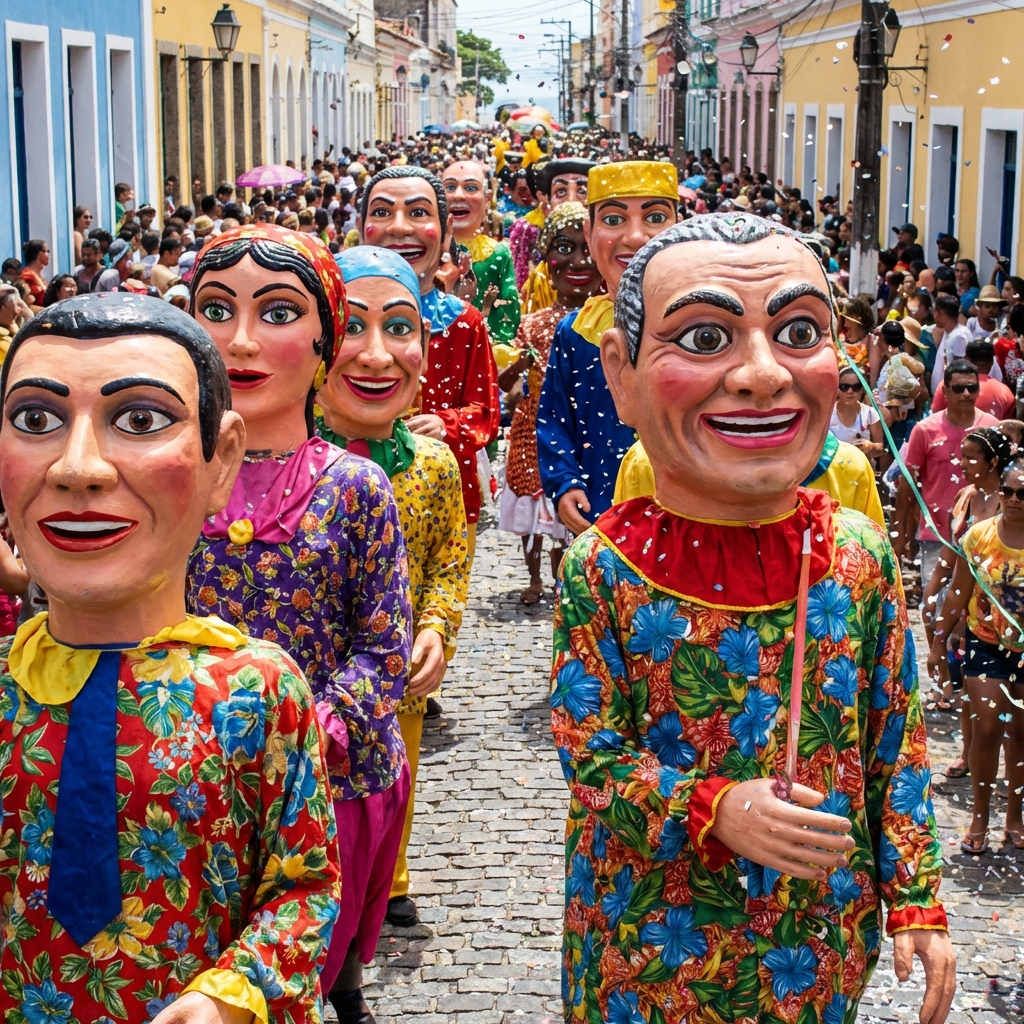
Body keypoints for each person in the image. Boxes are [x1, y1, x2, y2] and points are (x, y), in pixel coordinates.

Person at [553, 213, 955, 1023]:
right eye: (704, 339)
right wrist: (712, 807)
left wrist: (916, 897)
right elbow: (592, 759)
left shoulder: (858, 556)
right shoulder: (605, 567)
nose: (763, 375)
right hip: (649, 947)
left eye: (799, 332)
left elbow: (895, 741)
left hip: (817, 943)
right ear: (621, 374)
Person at [0, 293, 341, 1020]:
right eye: (35, 421)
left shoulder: (257, 691)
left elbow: (303, 886)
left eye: (140, 420)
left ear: (222, 460)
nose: (78, 468)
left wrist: (230, 997)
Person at [186, 226, 412, 1024]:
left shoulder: (355, 488)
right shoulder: (170, 479)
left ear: (325, 340)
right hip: (198, 780)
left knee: (312, 967)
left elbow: (383, 646)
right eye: (217, 310)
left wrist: (308, 729)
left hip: (330, 776)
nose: (241, 341)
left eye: (278, 312)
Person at [317, 245, 470, 940]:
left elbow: (449, 560)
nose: (377, 355)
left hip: (397, 671)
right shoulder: (284, 463)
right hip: (312, 677)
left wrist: (435, 628)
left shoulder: (433, 466)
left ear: (425, 352)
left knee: (393, 779)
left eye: (399, 328)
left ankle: (389, 882)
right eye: (352, 326)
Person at [359, 166, 500, 570]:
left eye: (418, 213)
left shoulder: (464, 322)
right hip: (352, 493)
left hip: (444, 498)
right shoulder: (335, 316)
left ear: (447, 230)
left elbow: (486, 414)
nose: (400, 227)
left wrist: (446, 425)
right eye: (382, 212)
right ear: (361, 226)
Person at [537, 161, 679, 535]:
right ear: (589, 232)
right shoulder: (577, 332)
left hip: (692, 515)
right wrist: (564, 482)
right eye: (614, 220)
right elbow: (555, 418)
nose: (635, 237)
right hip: (602, 511)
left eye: (655, 217)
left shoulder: (709, 325)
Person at [498, 203, 601, 603]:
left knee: (569, 511)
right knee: (534, 512)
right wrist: (519, 366)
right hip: (533, 427)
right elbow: (505, 385)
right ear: (546, 258)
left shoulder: (613, 322)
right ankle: (535, 579)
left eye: (587, 249)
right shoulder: (533, 322)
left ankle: (566, 579)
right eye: (564, 248)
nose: (579, 261)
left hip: (586, 428)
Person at [929, 455, 1024, 854]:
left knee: (1020, 734)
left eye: (1023, 493)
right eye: (1008, 491)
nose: (1014, 499)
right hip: (985, 643)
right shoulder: (978, 537)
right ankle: (980, 815)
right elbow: (958, 592)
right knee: (985, 729)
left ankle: (1015, 817)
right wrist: (938, 643)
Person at [893, 358, 1000, 613]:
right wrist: (903, 534)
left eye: (972, 388)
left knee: (980, 612)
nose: (966, 394)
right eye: (958, 388)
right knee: (936, 609)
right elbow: (908, 484)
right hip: (938, 535)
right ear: (945, 391)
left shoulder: (992, 429)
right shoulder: (925, 430)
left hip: (985, 536)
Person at [442, 160, 521, 346]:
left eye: (470, 188)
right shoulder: (427, 248)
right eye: (450, 187)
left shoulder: (497, 253)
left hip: (483, 345)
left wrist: (498, 343)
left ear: (487, 199)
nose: (459, 195)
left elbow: (508, 304)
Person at [519, 159, 596, 315]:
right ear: (547, 202)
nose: (571, 200)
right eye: (560, 192)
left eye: (582, 191)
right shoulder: (539, 282)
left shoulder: (610, 267)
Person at [931, 337, 1015, 418]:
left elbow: (936, 417)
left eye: (972, 388)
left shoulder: (947, 384)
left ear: (967, 359)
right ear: (992, 362)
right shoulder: (1005, 392)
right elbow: (1008, 424)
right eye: (959, 388)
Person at [831, 364, 883, 456]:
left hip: (861, 464)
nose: (850, 391)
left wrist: (871, 446)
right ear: (837, 388)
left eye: (856, 387)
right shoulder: (827, 413)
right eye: (844, 387)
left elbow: (880, 448)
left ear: (862, 389)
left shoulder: (870, 414)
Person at [930, 292, 975, 394]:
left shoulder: (959, 336)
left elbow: (960, 371)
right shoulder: (949, 332)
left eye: (935, 312)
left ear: (940, 313)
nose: (934, 315)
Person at [19, 239, 50, 309]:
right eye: (47, 251)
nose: (48, 255)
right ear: (39, 254)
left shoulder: (39, 275)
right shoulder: (27, 276)